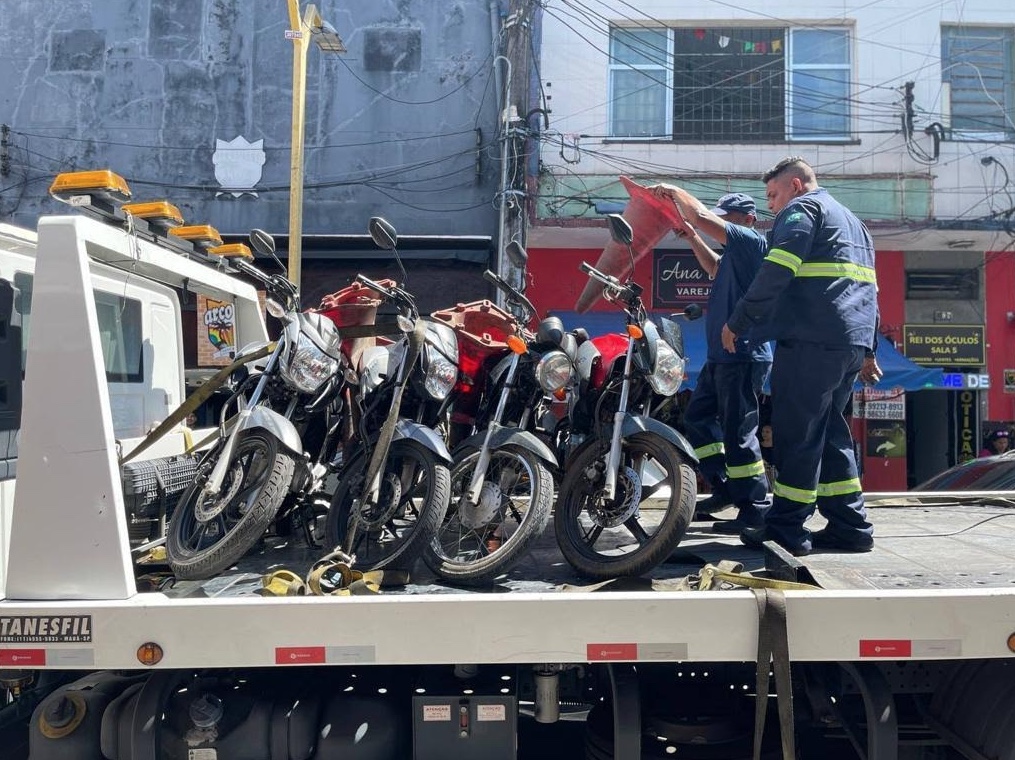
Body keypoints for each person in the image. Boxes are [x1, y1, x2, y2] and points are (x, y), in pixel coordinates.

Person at [722, 156, 883, 556]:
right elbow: (869, 293)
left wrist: (738, 321)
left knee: (797, 434)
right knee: (829, 432)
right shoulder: (854, 223)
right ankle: (850, 525)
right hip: (847, 345)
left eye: (773, 195)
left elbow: (777, 270)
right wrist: (869, 350)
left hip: (811, 341)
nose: (771, 206)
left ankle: (786, 530)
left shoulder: (803, 209)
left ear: (795, 185)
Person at [649, 187, 772, 533]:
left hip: (744, 354)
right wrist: (691, 237)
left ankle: (754, 509)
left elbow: (702, 217)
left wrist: (674, 193)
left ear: (748, 221)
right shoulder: (733, 257)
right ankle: (726, 488)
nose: (718, 224)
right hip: (721, 357)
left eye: (726, 220)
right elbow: (712, 267)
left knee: (739, 431)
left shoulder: (752, 242)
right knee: (698, 418)